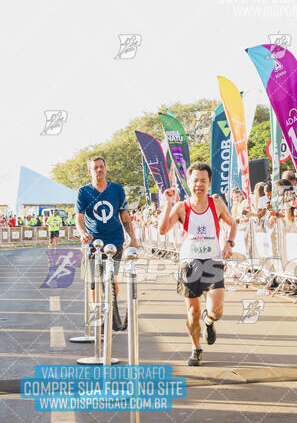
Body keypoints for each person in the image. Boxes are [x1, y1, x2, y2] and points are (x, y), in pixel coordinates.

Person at [158, 162, 236, 366]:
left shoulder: (216, 204)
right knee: (192, 312)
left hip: (213, 262)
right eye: (195, 181)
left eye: (203, 181)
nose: (199, 185)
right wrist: (167, 203)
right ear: (189, 183)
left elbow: (232, 223)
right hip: (189, 263)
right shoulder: (181, 207)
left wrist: (229, 243)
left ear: (209, 183)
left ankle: (209, 321)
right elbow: (162, 229)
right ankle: (196, 349)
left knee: (217, 310)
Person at [75, 156, 139, 328]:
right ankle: (98, 320)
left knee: (111, 279)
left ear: (105, 168)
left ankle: (112, 314)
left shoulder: (117, 189)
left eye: (101, 166)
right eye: (94, 167)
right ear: (89, 171)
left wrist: (132, 237)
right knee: (94, 283)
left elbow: (124, 214)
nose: (98, 170)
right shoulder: (83, 191)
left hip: (115, 240)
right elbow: (79, 217)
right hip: (93, 243)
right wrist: (83, 233)